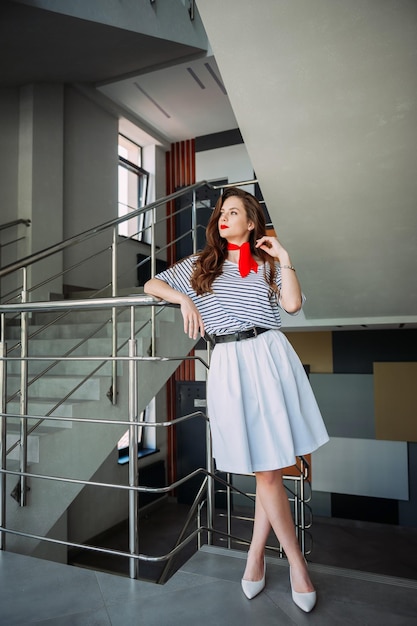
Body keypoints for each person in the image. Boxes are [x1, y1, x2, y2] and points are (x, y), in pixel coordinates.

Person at [144, 186, 329, 612]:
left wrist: (284, 259)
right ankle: (263, 557)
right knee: (265, 467)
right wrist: (184, 297)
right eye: (221, 212)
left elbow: (294, 305)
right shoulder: (202, 264)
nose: (223, 217)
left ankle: (287, 562)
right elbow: (152, 282)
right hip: (227, 360)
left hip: (268, 355)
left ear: (251, 222)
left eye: (233, 212)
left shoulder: (266, 263)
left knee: (267, 469)